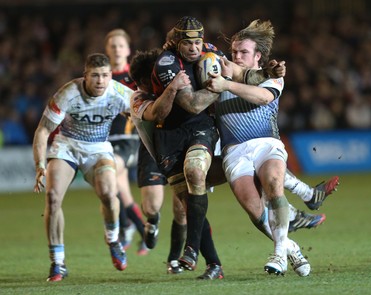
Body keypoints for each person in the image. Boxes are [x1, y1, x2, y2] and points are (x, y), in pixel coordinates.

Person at [206, 19, 316, 276]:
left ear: (258, 56)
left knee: (274, 182)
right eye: (234, 52)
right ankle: (291, 248)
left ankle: (278, 255)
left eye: (243, 52)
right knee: (255, 211)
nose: (237, 56)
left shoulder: (272, 78)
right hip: (233, 151)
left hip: (267, 144)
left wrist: (226, 86)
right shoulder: (219, 73)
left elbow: (262, 98)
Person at [33, 53, 133, 282]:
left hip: (99, 149)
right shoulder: (68, 93)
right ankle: (58, 262)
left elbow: (144, 117)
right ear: (85, 75)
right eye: (95, 76)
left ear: (110, 75)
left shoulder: (119, 93)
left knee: (109, 194)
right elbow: (43, 131)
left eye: (105, 75)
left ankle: (113, 239)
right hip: (66, 147)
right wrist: (40, 165)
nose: (100, 81)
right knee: (52, 197)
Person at [130, 47, 225, 280]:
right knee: (190, 209)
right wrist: (172, 86)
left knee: (193, 203)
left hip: (196, 144)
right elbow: (158, 113)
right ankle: (214, 265)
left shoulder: (183, 90)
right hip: (166, 154)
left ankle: (189, 255)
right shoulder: (139, 98)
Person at [104, 28, 148, 255]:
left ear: (128, 49)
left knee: (108, 175)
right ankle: (142, 232)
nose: (117, 49)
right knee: (119, 189)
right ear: (107, 50)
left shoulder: (134, 78)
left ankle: (127, 228)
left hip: (128, 140)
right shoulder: (102, 78)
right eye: (112, 46)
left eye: (120, 45)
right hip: (105, 141)